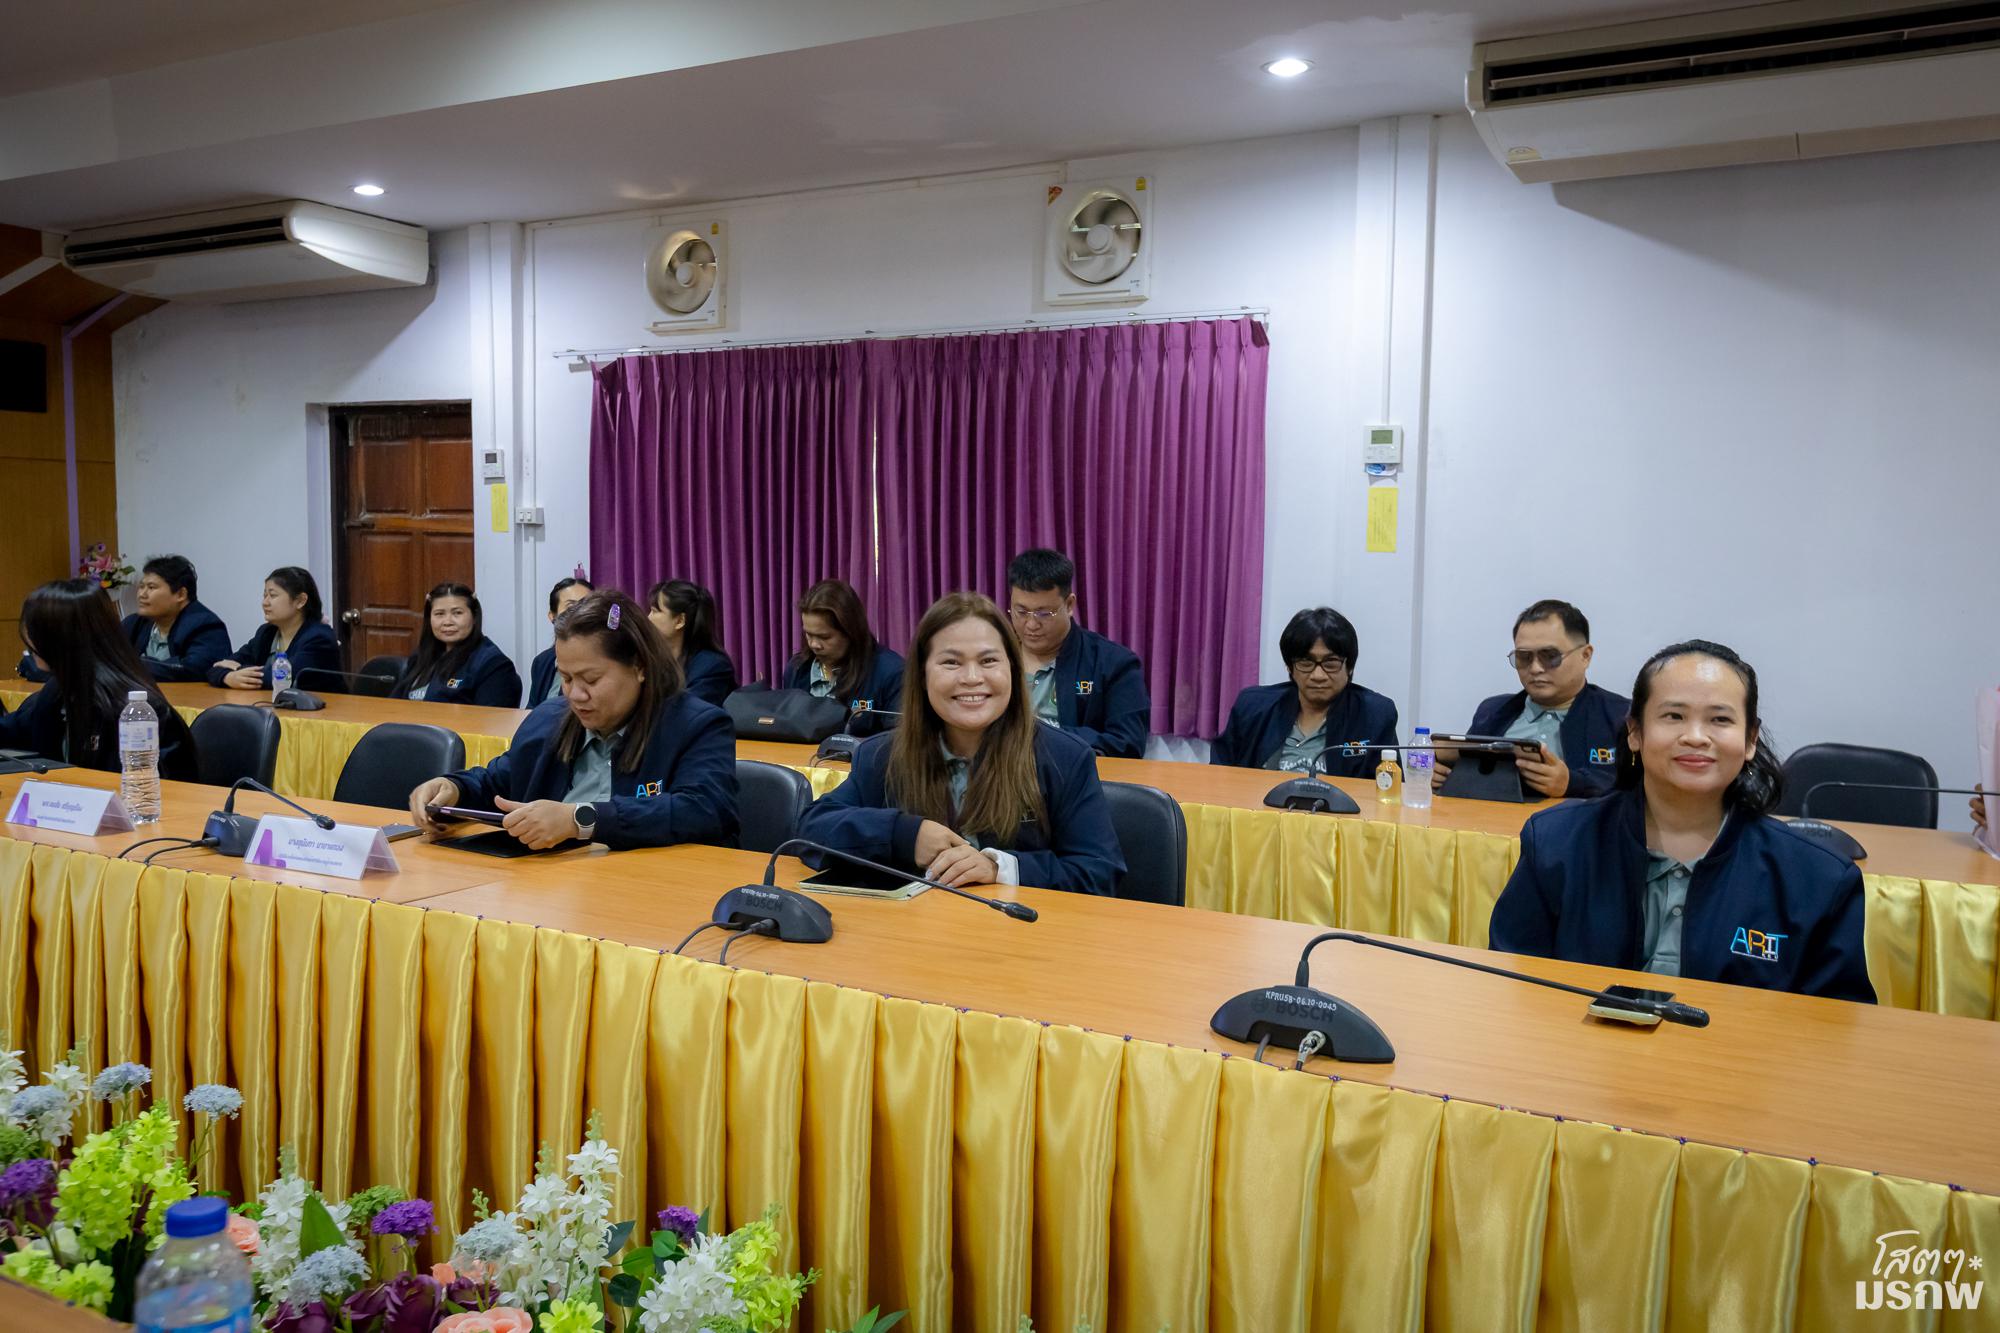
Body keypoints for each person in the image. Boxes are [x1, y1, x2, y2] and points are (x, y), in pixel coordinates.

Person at [1489, 640, 1874, 1003]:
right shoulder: (1556, 843)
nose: (1695, 737)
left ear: (1750, 739)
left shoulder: (1818, 878)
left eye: (1720, 719)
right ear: (1635, 732)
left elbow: (1835, 1030)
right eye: (1673, 716)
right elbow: (1512, 985)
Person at [798, 592, 1124, 895]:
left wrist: (1002, 868)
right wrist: (903, 835)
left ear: (1012, 670)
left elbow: (1099, 873)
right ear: (922, 676)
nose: (971, 677)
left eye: (988, 661)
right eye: (951, 662)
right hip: (912, 940)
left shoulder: (1065, 758)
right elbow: (811, 829)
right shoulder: (880, 755)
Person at [408, 591, 737, 850]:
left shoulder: (696, 725)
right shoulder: (550, 720)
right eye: (565, 678)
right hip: (555, 892)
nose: (576, 695)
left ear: (639, 667)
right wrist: (453, 788)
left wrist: (579, 819)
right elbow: (499, 781)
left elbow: (702, 810)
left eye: (590, 680)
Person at [0, 580, 198, 779]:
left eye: (34, 628)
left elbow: (147, 790)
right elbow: (11, 731)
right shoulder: (57, 692)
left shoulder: (133, 711)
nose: (27, 637)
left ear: (60, 635)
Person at [1433, 599, 1629, 799]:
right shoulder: (1493, 712)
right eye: (1524, 657)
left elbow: (1642, 790)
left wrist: (1572, 783)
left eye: (1551, 656)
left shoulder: (1622, 716)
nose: (1535, 668)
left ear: (1585, 656)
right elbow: (1468, 773)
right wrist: (1437, 772)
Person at [1209, 607, 1398, 778]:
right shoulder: (1252, 708)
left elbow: (1389, 789)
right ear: (1290, 667)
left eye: (1330, 664)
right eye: (1306, 664)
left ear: (1349, 667)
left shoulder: (1375, 715)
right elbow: (1219, 776)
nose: (1318, 675)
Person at [1003, 548, 1150, 759]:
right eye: (1021, 612)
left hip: (1071, 779)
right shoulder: (996, 658)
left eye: (1044, 613)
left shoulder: (1112, 664)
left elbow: (1128, 743)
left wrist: (1033, 737)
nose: (1031, 624)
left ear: (1069, 604)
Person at [16, 555, 231, 686]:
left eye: (152, 587)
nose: (142, 594)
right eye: (141, 586)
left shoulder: (205, 625)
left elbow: (192, 671)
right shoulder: (135, 623)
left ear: (181, 594)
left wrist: (122, 666)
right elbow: (97, 656)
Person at [782, 579, 904, 735]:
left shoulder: (891, 673)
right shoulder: (797, 669)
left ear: (851, 632)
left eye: (824, 637)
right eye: (808, 634)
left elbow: (897, 743)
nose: (814, 645)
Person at [392, 583, 523, 708]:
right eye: (439, 614)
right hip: (407, 730)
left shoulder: (493, 665)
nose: (447, 622)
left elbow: (490, 724)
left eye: (457, 613)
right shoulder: (420, 657)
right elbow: (393, 706)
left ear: (474, 616)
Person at [207, 567, 340, 689]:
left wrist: (237, 669)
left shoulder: (320, 638)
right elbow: (217, 667)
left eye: (273, 595)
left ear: (300, 601)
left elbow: (282, 678)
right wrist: (226, 676)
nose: (265, 603)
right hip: (273, 708)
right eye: (265, 595)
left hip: (321, 712)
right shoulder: (267, 633)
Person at [646, 579, 739, 707]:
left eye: (655, 611)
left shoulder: (712, 666)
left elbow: (690, 716)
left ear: (680, 621)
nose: (648, 618)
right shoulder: (653, 662)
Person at [527, 576, 595, 705]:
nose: (580, 613)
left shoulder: (602, 661)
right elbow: (531, 713)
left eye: (586, 605)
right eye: (571, 606)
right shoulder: (542, 662)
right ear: (552, 616)